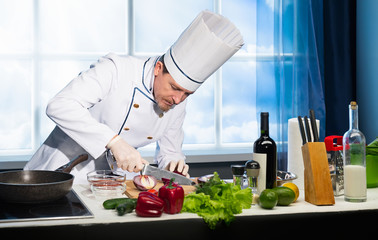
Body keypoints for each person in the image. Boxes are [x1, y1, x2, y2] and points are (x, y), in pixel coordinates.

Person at [24, 10, 244, 183]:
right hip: (57, 176)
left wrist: (173, 165)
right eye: (175, 87)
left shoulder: (176, 102)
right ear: (159, 68)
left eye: (187, 94)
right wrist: (114, 142)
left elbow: (169, 152)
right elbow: (59, 105)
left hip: (110, 185)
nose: (178, 99)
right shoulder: (116, 70)